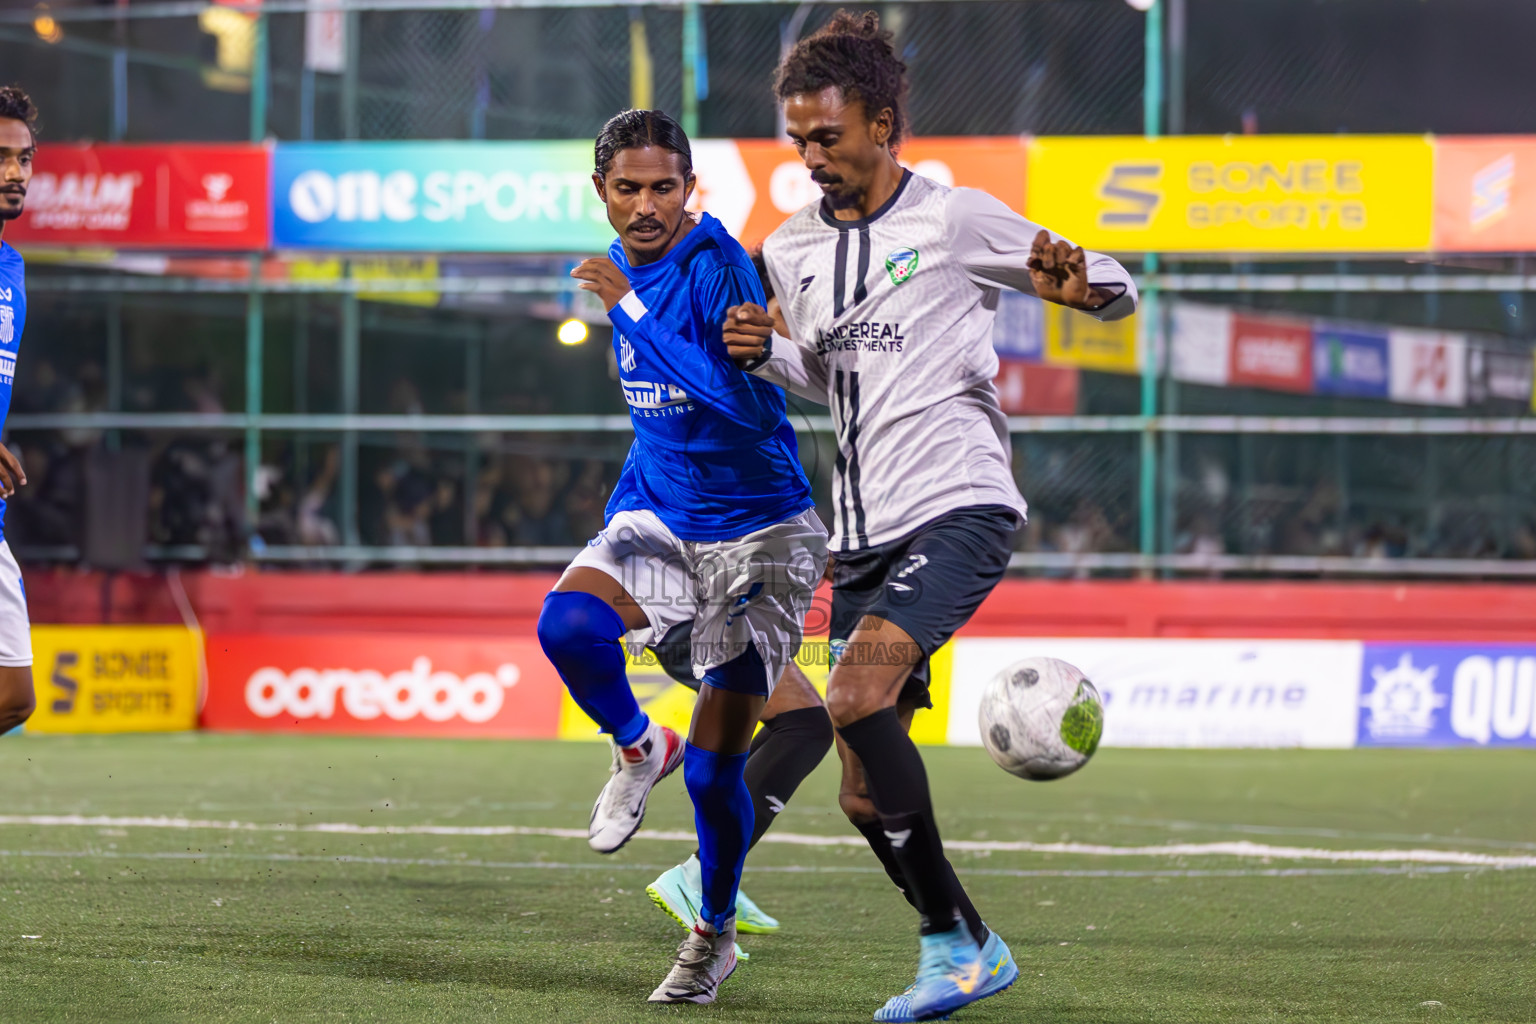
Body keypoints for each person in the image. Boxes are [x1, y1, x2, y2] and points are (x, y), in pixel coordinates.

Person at [723, 13, 1138, 1021]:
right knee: (863, 793)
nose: (812, 158)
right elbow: (824, 372)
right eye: (798, 141)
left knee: (857, 696)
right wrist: (761, 351)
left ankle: (955, 944)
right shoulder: (791, 247)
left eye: (829, 137)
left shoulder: (953, 220)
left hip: (959, 502)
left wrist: (1089, 289)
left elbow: (1115, 288)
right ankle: (967, 945)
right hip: (861, 530)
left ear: (884, 122)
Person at [535, 109, 828, 1005]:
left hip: (760, 532)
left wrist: (623, 304)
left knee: (715, 770)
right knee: (568, 625)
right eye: (628, 188)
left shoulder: (717, 267)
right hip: (662, 519)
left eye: (665, 186)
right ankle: (635, 747)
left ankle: (713, 936)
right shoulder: (625, 265)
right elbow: (657, 415)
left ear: (690, 188)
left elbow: (742, 410)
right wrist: (632, 499)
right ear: (602, 192)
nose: (647, 204)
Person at [641, 246, 836, 940]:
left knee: (794, 726)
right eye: (789, 306)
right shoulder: (729, 380)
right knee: (803, 724)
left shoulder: (732, 377)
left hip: (699, 593)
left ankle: (710, 872)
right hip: (694, 601)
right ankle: (701, 875)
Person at [0, 85, 38, 736]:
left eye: (24, 159)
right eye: (1, 157)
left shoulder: (12, 269)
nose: (15, 172)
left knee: (15, 698)